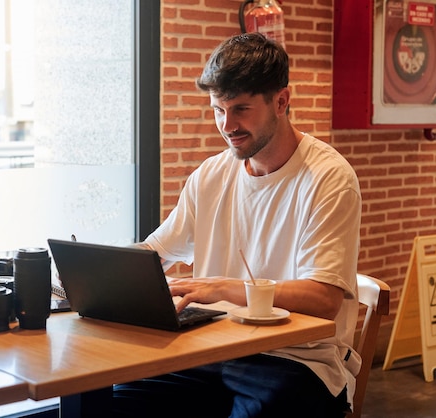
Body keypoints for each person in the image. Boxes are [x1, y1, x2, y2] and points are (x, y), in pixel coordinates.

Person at [112, 32, 362, 418]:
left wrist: (223, 288)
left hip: (296, 361)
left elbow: (324, 300)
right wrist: (90, 272)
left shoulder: (328, 177)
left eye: (241, 109)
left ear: (281, 101)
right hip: (214, 348)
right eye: (218, 110)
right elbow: (155, 253)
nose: (228, 125)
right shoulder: (211, 175)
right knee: (116, 398)